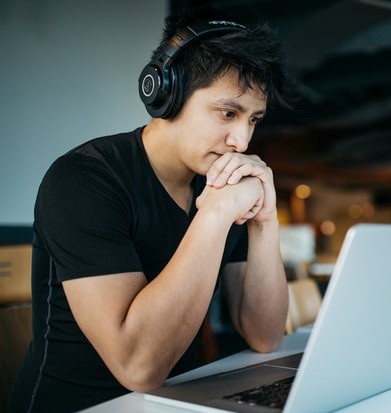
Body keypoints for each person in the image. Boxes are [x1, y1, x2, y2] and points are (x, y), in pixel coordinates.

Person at [7, 7, 291, 413]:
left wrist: (265, 221)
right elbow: (138, 367)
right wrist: (213, 215)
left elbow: (265, 336)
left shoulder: (220, 182)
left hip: (177, 402)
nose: (242, 141)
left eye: (254, 119)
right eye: (228, 113)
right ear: (165, 93)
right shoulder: (84, 179)